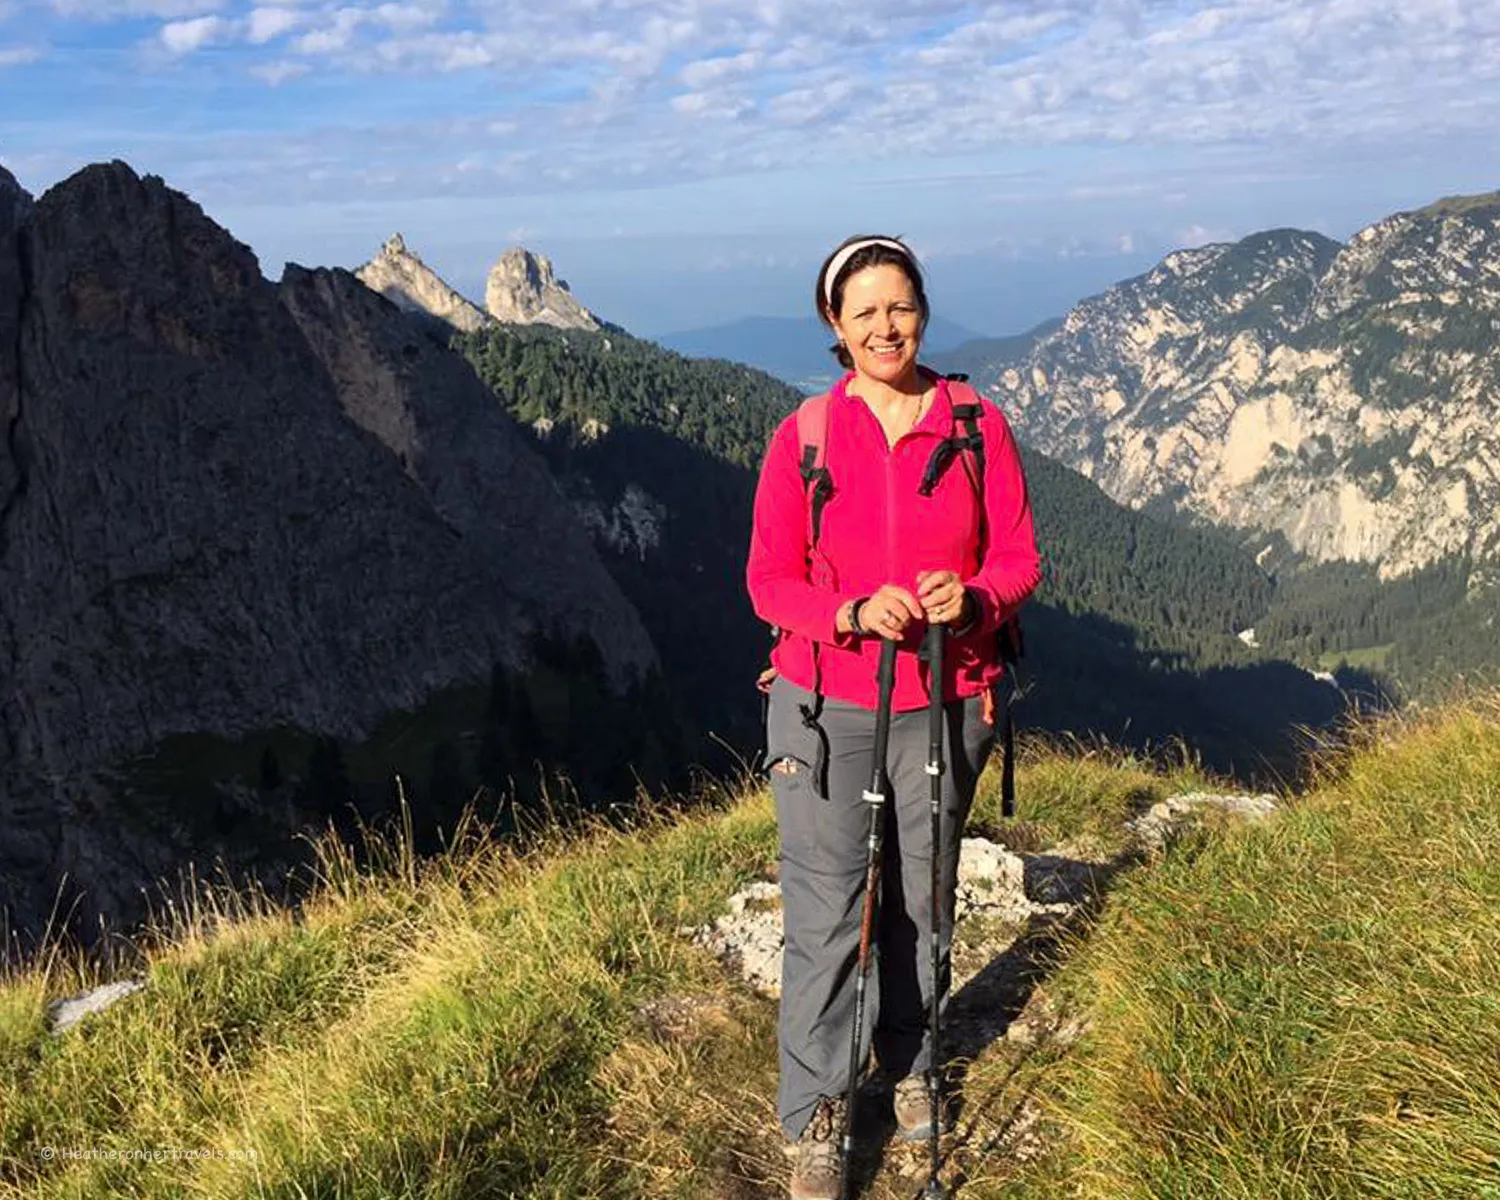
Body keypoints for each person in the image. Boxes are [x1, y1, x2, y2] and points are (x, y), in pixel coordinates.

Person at [745, 234, 1041, 1200]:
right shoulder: (805, 436)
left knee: (924, 896)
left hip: (947, 697)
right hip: (827, 703)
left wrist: (979, 600)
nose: (885, 325)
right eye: (864, 310)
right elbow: (768, 581)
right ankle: (817, 1117)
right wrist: (846, 612)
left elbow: (1020, 559)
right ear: (834, 325)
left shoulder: (973, 421)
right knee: (828, 912)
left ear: (923, 310)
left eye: (900, 306)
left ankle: (909, 1069)